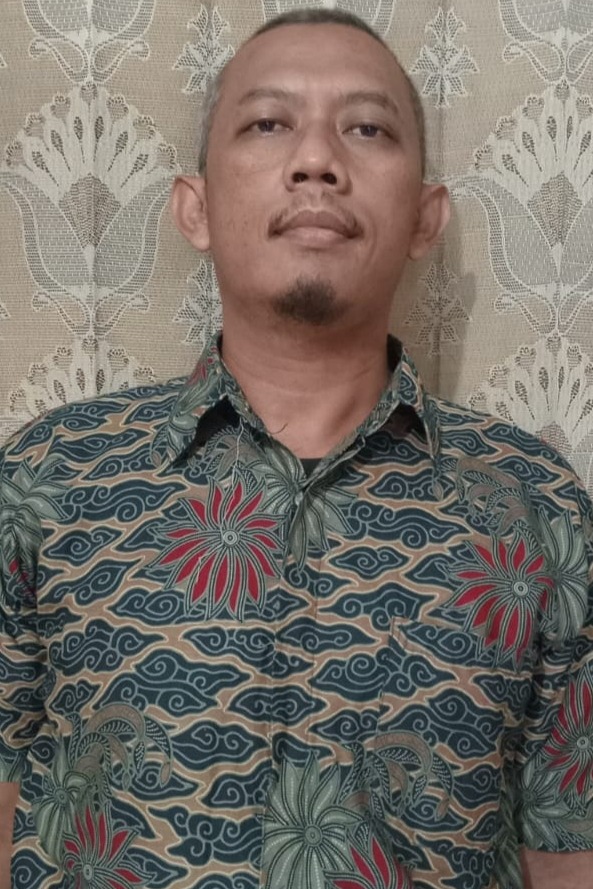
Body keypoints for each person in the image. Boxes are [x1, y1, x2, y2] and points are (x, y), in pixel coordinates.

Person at [1, 8, 592, 889]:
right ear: (195, 207)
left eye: (367, 128)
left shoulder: (535, 507)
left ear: (425, 216)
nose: (317, 159)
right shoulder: (48, 477)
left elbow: (566, 846)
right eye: (268, 123)